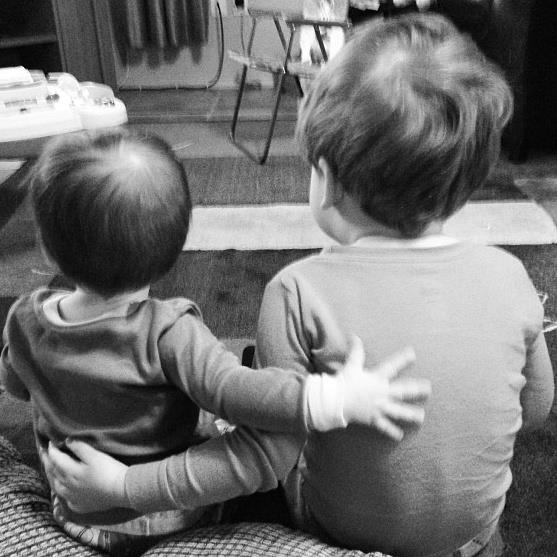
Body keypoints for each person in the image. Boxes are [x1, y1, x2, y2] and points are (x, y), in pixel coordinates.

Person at [41, 13, 554, 557]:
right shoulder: (511, 274)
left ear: (326, 179)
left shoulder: (297, 292)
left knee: (255, 403)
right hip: (473, 539)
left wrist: (124, 487)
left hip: (337, 533)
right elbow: (536, 408)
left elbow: (265, 458)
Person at [0, 128, 431, 556]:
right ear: (175, 247)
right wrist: (335, 398)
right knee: (237, 445)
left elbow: (16, 386)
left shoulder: (24, 317)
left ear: (48, 251)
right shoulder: (168, 331)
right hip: (162, 520)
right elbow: (238, 392)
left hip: (73, 512)